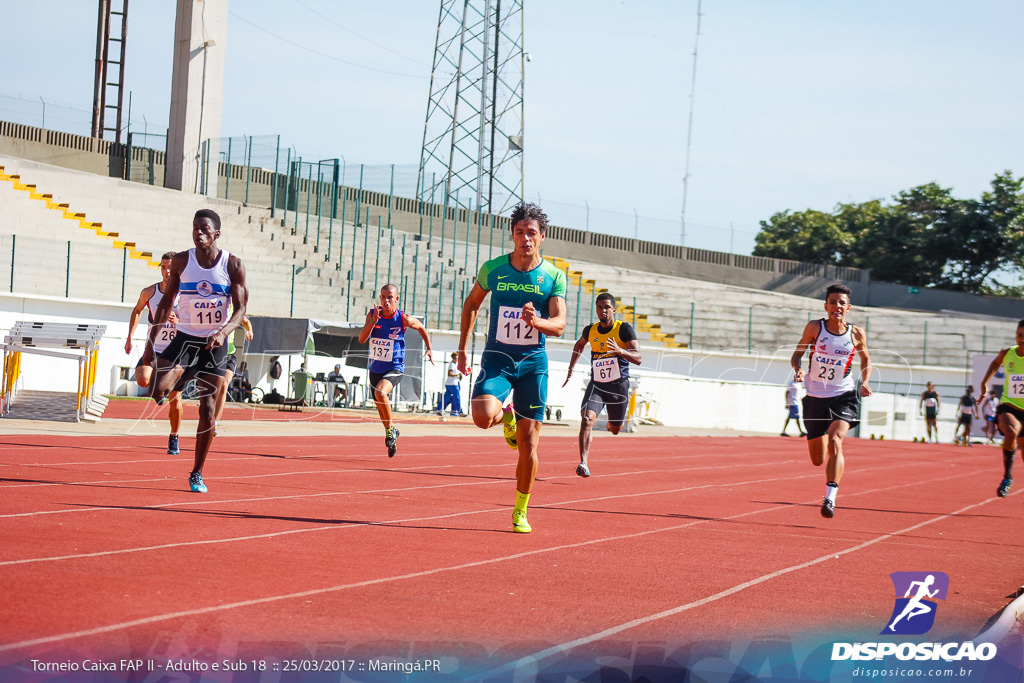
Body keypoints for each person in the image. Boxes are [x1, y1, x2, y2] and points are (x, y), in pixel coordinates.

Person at [458, 203, 567, 533]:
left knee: (529, 444)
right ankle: (507, 415)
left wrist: (539, 322)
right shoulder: (493, 269)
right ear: (512, 235)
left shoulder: (553, 276)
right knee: (481, 416)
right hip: (498, 359)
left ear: (542, 238)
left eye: (531, 233)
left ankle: (520, 509)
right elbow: (472, 303)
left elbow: (560, 325)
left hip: (533, 364)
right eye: (519, 232)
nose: (525, 239)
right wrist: (463, 348)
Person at [149, 209, 248, 494]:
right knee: (157, 390)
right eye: (195, 227)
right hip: (184, 338)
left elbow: (241, 309)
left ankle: (196, 473)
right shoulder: (181, 261)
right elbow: (166, 302)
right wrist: (150, 344)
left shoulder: (232, 265)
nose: (198, 232)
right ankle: (187, 374)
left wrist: (223, 332)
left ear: (216, 234)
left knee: (207, 413)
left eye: (204, 228)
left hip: (213, 344)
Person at [791, 283, 872, 519]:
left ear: (849, 307)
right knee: (817, 460)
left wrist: (864, 381)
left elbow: (865, 359)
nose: (837, 306)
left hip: (843, 395)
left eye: (842, 303)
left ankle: (830, 497)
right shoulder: (815, 327)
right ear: (826, 305)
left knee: (837, 440)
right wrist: (797, 368)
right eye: (833, 302)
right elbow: (797, 353)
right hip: (815, 397)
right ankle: (823, 432)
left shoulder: (856, 333)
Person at [562, 292, 641, 477]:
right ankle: (583, 463)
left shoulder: (624, 329)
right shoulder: (590, 330)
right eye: (599, 307)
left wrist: (620, 351)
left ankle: (613, 425)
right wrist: (570, 369)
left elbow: (638, 358)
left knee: (615, 429)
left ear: (614, 309)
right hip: (597, 384)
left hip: (618, 386)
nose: (603, 310)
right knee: (587, 419)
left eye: (606, 307)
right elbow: (579, 345)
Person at [358, 284, 434, 457]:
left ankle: (390, 431)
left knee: (380, 393)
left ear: (396, 299)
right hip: (375, 369)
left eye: (390, 297)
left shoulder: (402, 318)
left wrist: (429, 347)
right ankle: (391, 432)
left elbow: (421, 327)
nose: (386, 300)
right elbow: (362, 339)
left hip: (395, 367)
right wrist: (373, 322)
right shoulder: (372, 315)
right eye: (383, 297)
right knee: (380, 404)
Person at [125, 250, 184, 455]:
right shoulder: (150, 292)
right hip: (154, 349)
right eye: (163, 267)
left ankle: (174, 437)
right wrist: (130, 337)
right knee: (142, 379)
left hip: (177, 352)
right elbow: (137, 310)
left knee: (175, 401)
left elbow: (196, 323)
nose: (166, 271)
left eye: (170, 267)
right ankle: (159, 388)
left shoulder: (186, 294)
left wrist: (180, 322)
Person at [979, 320, 1024, 498]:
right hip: (1009, 407)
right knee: (1011, 431)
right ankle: (1007, 477)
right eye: (1019, 335)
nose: (1022, 339)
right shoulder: (1008, 353)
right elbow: (995, 363)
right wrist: (984, 383)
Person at [213, 315, 253, 431]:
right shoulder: (214, 303)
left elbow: (245, 321)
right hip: (213, 352)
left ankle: (214, 422)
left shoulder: (234, 308)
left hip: (229, 353)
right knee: (212, 387)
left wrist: (249, 331)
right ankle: (207, 416)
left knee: (224, 385)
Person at [436, 352, 465, 419]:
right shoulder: (452, 365)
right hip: (453, 384)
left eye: (457, 358)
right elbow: (449, 374)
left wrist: (459, 376)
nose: (456, 359)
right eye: (455, 358)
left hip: (451, 383)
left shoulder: (456, 364)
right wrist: (457, 375)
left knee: (446, 397)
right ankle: (460, 412)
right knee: (457, 397)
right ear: (453, 358)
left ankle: (438, 409)